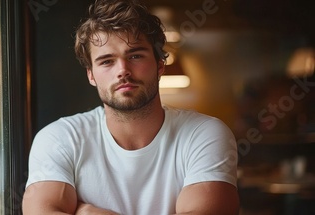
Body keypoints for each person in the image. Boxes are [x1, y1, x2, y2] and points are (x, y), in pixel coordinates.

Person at [22, 0, 239, 214]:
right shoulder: (60, 138)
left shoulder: (204, 134)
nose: (123, 70)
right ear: (91, 75)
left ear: (160, 65)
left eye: (135, 56)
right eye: (107, 61)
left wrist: (88, 213)